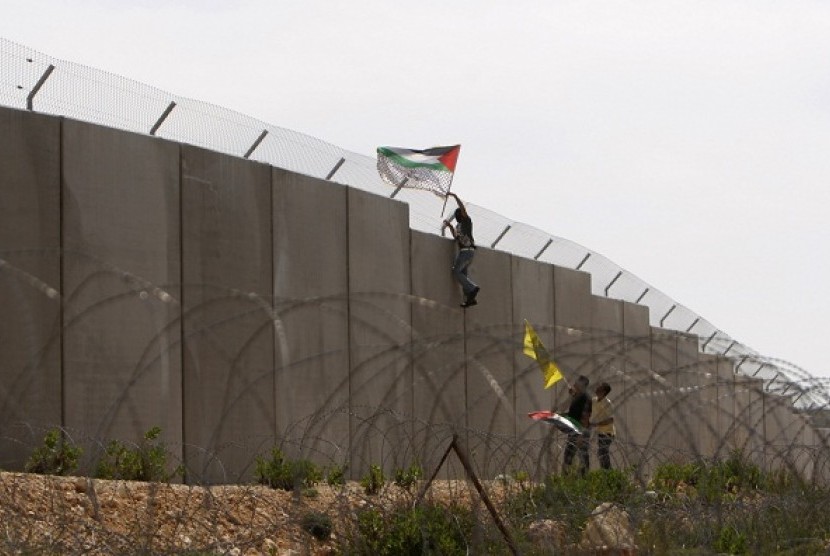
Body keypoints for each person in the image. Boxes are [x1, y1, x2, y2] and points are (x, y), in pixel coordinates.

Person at [441, 192, 480, 308]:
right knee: (463, 275)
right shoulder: (458, 227)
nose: (458, 215)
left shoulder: (466, 222)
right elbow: (456, 237)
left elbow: (462, 208)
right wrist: (450, 227)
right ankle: (470, 299)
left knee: (456, 271)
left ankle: (473, 288)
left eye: (459, 213)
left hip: (467, 252)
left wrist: (454, 196)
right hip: (465, 252)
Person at [562, 375, 591, 475]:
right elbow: (574, 413)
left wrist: (581, 435)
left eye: (577, 382)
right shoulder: (577, 397)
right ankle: (567, 479)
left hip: (580, 431)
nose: (574, 384)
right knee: (568, 456)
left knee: (581, 457)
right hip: (574, 430)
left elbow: (586, 417)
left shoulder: (585, 398)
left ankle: (583, 480)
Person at [591, 382, 616, 470]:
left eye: (599, 388)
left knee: (603, 453)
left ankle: (608, 473)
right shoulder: (594, 400)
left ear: (604, 391)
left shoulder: (607, 403)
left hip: (608, 433)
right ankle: (606, 473)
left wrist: (597, 424)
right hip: (600, 432)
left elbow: (611, 419)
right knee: (602, 454)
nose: (597, 389)